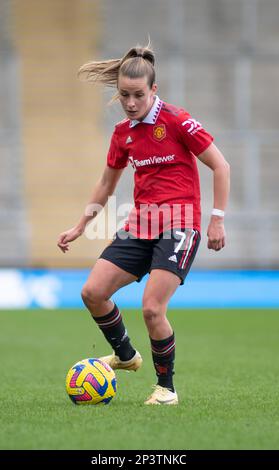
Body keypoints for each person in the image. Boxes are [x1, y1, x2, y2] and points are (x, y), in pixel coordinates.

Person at [57, 43, 230, 405]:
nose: (131, 102)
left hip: (180, 225)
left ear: (154, 90)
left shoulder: (178, 121)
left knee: (152, 308)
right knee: (92, 293)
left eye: (138, 95)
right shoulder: (123, 133)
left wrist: (217, 220)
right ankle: (125, 356)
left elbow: (220, 165)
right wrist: (80, 226)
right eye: (124, 95)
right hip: (141, 224)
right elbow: (106, 184)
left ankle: (166, 388)